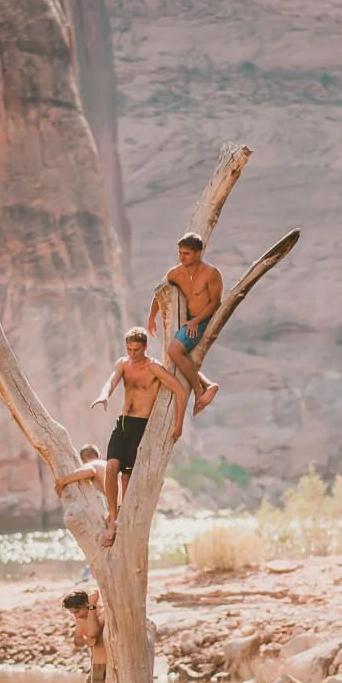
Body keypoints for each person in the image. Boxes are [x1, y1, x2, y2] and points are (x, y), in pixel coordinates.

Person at [92, 327, 188, 547]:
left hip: (141, 426)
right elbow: (112, 381)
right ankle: (113, 518)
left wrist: (179, 424)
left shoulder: (154, 368)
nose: (132, 353)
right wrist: (104, 395)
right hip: (123, 423)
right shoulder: (123, 364)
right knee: (111, 468)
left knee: (126, 477)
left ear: (145, 347)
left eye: (136, 349)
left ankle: (124, 517)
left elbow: (181, 391)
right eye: (129, 349)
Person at [147, 231, 222, 416]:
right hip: (187, 321)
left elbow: (215, 302)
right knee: (178, 356)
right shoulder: (176, 273)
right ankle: (208, 385)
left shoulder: (211, 274)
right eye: (180, 252)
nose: (182, 257)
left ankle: (199, 391)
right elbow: (160, 292)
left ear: (198, 253)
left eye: (186, 253)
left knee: (174, 351)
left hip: (204, 320)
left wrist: (196, 321)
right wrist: (151, 318)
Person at [62, 588, 106, 683]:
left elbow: (93, 632)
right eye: (73, 613)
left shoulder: (103, 614)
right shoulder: (82, 619)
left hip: (106, 671)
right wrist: (86, 641)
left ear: (86, 604)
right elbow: (77, 640)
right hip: (94, 671)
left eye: (77, 611)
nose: (76, 616)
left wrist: (93, 606)